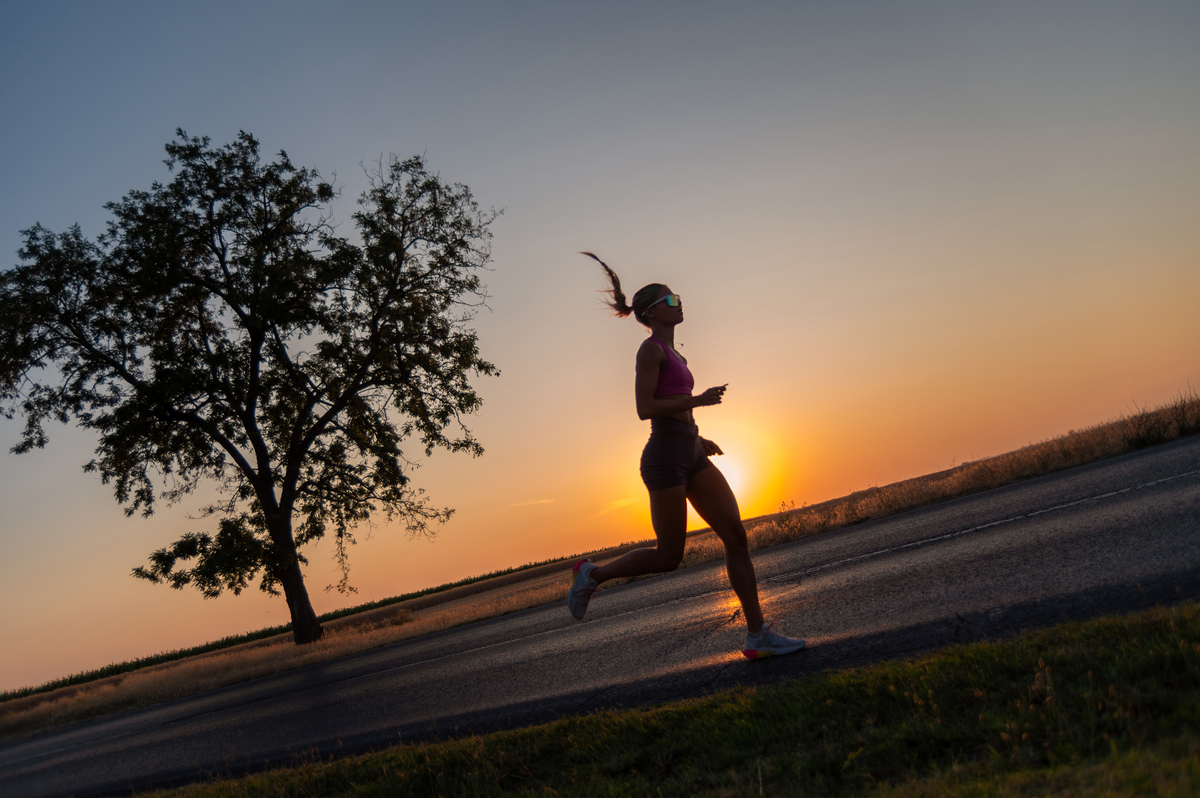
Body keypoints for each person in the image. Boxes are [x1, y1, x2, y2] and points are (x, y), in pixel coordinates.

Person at [567, 252, 806, 659]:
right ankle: (593, 573)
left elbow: (676, 406)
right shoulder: (650, 351)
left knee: (736, 535)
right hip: (664, 458)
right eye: (671, 300)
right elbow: (645, 408)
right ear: (651, 312)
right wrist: (699, 400)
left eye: (677, 297)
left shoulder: (677, 354)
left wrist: (699, 435)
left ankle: (757, 635)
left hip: (690, 450)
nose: (679, 303)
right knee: (669, 556)